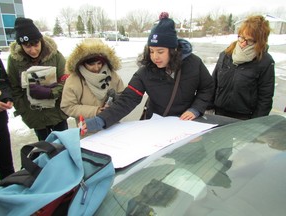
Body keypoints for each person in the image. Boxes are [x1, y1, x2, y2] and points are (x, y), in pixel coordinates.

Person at [81, 12, 214, 134]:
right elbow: (127, 100)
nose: (155, 56)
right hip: (157, 126)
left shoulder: (194, 64)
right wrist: (100, 120)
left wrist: (196, 109)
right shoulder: (146, 72)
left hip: (187, 125)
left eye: (160, 51)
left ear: (173, 50)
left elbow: (207, 87)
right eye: (151, 51)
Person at [7, 17, 68, 141]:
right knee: (46, 150)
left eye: (35, 44)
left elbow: (66, 81)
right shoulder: (14, 61)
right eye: (27, 46)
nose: (33, 50)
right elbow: (14, 89)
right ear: (20, 45)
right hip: (35, 116)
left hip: (57, 113)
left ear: (41, 40)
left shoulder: (55, 56)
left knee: (65, 145)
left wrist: (51, 92)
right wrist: (25, 112)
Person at [211, 15, 275, 120]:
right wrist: (208, 108)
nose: (243, 43)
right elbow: (213, 83)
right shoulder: (226, 54)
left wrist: (256, 123)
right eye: (241, 37)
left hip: (244, 119)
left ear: (260, 41)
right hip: (219, 113)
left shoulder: (265, 62)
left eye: (250, 40)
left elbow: (265, 98)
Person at [60, 38, 125, 124]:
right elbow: (68, 106)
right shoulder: (74, 80)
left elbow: (124, 98)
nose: (96, 68)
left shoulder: (113, 75)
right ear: (82, 63)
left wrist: (115, 103)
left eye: (99, 63)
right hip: (88, 130)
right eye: (91, 64)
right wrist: (96, 111)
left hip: (112, 126)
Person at [0, 54, 15, 180]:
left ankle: (9, 195)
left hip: (0, 122)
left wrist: (6, 97)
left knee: (6, 166)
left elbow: (3, 82)